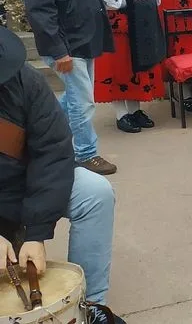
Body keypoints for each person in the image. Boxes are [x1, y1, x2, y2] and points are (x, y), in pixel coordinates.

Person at [0, 27, 123, 324]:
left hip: (26, 185)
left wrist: (37, 231)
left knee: (95, 193)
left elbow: (52, 153)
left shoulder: (25, 82)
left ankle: (88, 304)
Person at [23, 0, 116, 175]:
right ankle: (85, 154)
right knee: (82, 101)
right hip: (66, 45)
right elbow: (40, 10)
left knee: (74, 98)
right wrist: (58, 51)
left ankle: (41, 138)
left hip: (81, 39)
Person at [85, 0, 165, 133]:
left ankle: (135, 109)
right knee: (119, 67)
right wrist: (133, 2)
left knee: (137, 65)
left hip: (140, 20)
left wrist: (147, 0)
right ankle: (122, 114)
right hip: (117, 23)